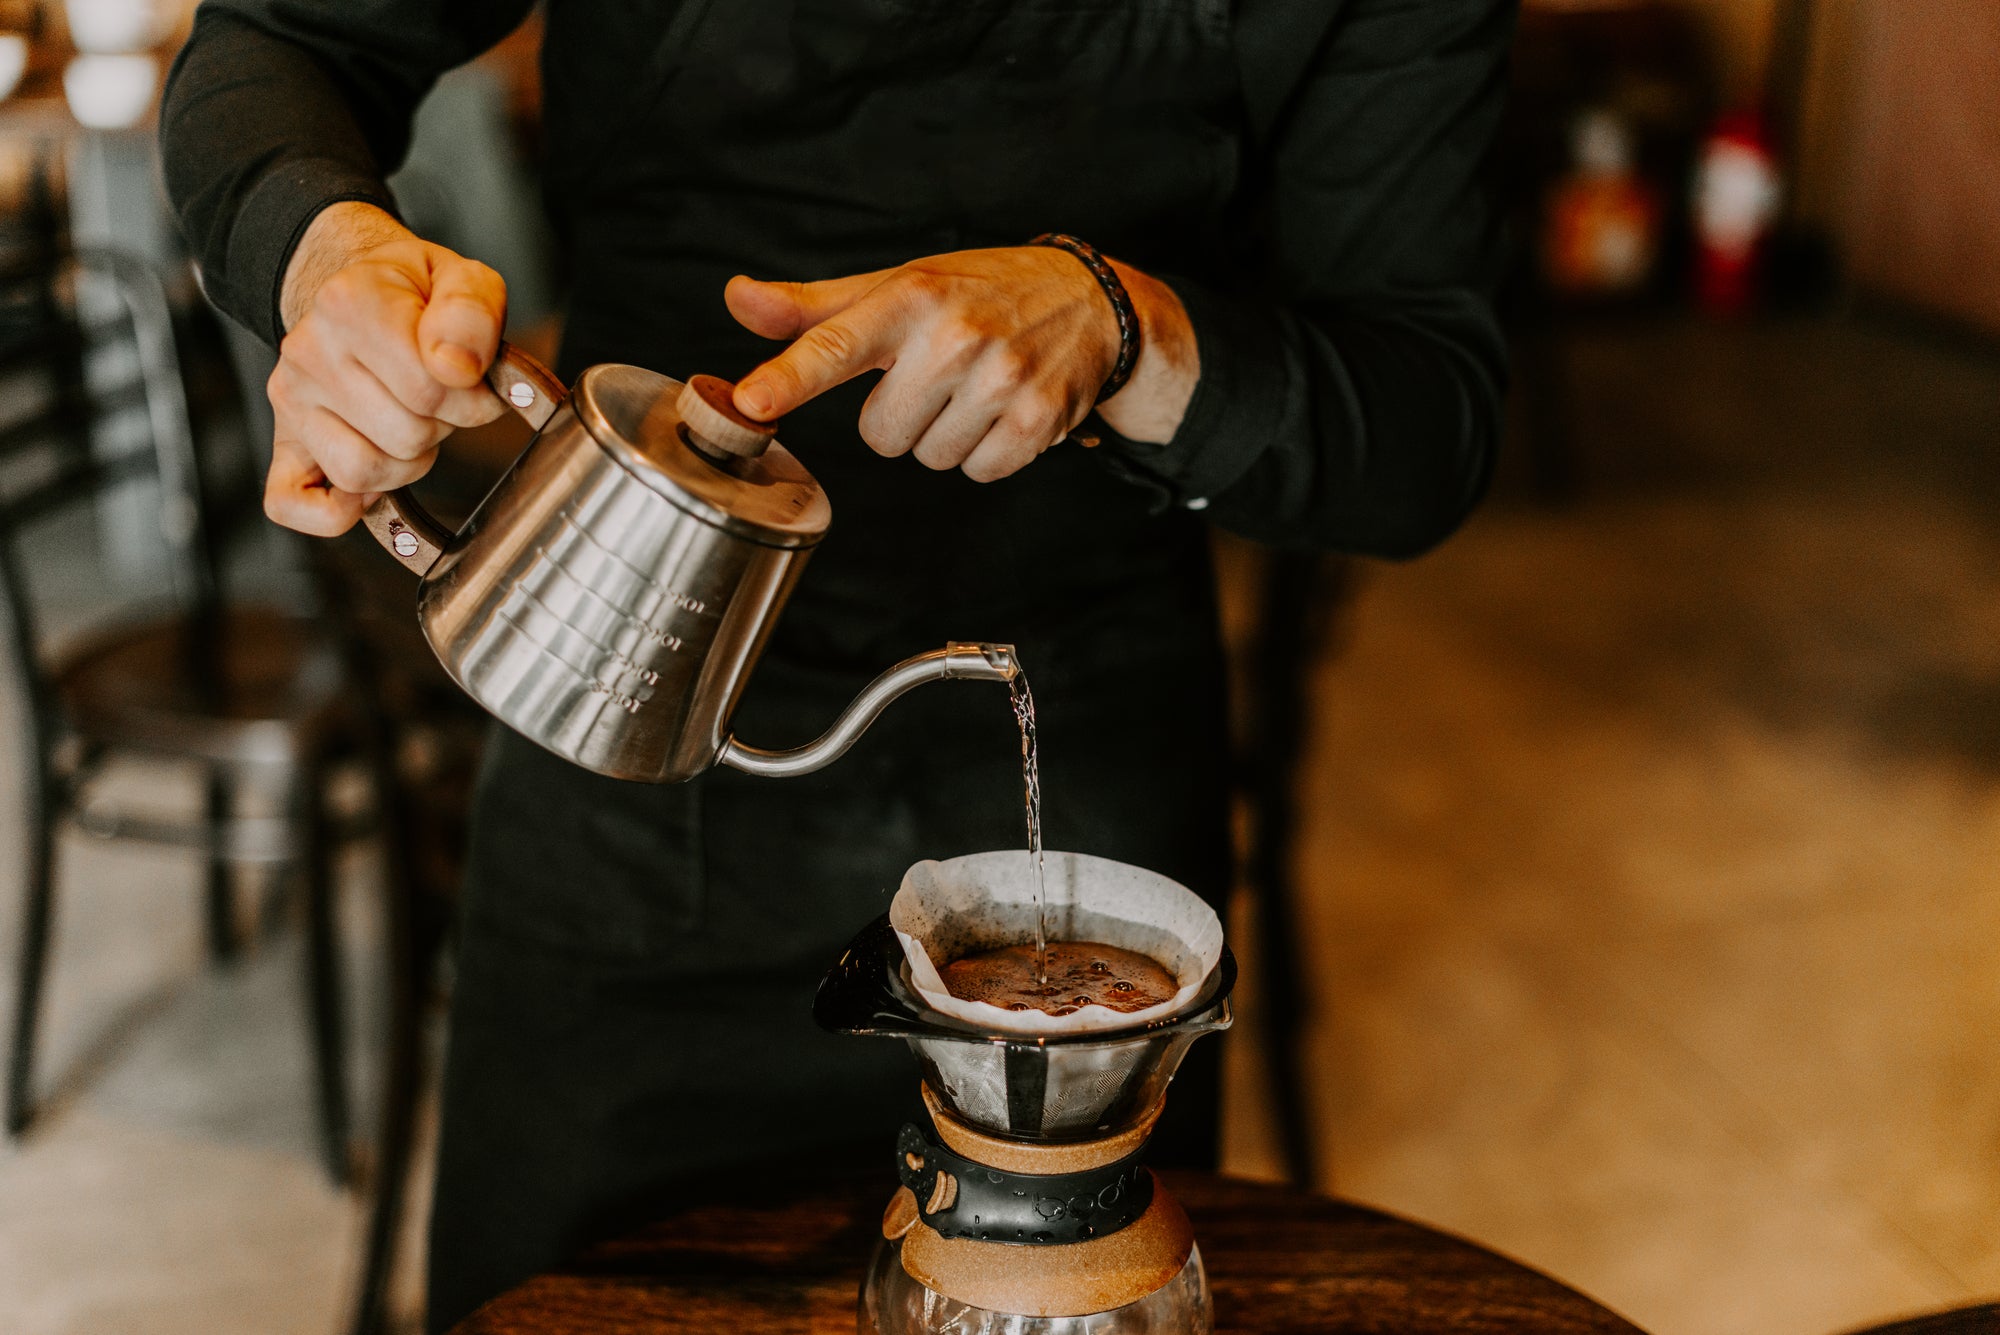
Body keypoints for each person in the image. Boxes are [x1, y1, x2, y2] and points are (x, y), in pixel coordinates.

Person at [160, 1, 1513, 1327]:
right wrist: (327, 257)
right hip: (630, 748)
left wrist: (1121, 326)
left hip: (1076, 769)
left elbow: (1422, 418)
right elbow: (279, 43)